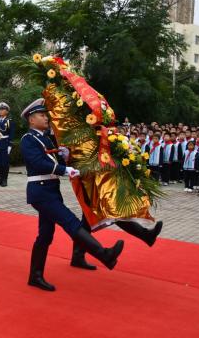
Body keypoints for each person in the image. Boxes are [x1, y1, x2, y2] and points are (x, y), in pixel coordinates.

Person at [20, 98, 124, 292]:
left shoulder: (44, 138)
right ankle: (104, 255)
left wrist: (64, 156)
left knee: (45, 235)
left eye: (45, 114)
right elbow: (38, 163)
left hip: (50, 189)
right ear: (31, 120)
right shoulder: (28, 139)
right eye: (42, 115)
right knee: (71, 222)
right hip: (40, 190)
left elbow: (51, 157)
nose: (46, 118)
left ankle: (35, 275)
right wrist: (64, 169)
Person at [0, 102, 14, 187]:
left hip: (5, 143)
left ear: (7, 111)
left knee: (5, 163)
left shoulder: (9, 121)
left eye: (3, 109)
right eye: (0, 109)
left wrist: (10, 145)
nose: (1, 111)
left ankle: (4, 180)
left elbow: (12, 134)